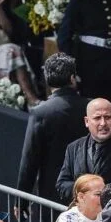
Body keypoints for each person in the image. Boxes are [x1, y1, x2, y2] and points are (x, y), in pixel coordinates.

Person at [16, 53, 88, 204]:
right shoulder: (90, 108)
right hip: (88, 190)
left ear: (47, 79)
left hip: (52, 193)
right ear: (73, 78)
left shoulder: (41, 112)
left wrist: (22, 200)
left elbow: (30, 159)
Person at [55, 98, 111, 202]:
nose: (103, 123)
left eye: (107, 117)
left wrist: (100, 194)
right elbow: (62, 184)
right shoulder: (74, 148)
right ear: (87, 121)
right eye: (97, 118)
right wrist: (86, 192)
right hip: (82, 215)